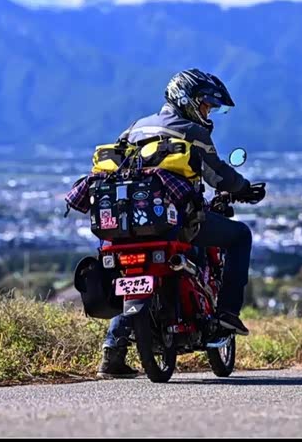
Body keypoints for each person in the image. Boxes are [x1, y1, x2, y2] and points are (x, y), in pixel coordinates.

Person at [97, 68, 265, 379]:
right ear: (186, 100)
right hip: (176, 223)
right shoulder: (191, 131)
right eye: (206, 105)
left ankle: (112, 351)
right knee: (240, 236)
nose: (208, 112)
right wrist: (244, 189)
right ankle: (227, 314)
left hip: (126, 226)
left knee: (130, 276)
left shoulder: (134, 128)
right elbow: (219, 175)